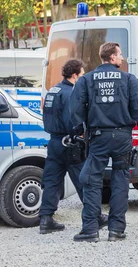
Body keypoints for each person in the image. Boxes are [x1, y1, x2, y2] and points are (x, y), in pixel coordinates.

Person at [70, 43, 138, 243]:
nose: (123, 58)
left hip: (98, 137)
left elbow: (75, 109)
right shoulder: (128, 79)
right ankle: (116, 230)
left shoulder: (86, 80)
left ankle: (90, 230)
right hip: (122, 137)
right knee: (120, 181)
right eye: (120, 55)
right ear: (112, 58)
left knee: (92, 181)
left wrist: (80, 131)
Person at [39, 59, 108, 234]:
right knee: (83, 180)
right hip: (70, 143)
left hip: (54, 142)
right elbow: (72, 120)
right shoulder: (71, 93)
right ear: (75, 75)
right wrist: (82, 134)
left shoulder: (53, 91)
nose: (83, 78)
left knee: (51, 182)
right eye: (82, 75)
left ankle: (46, 219)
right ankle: (96, 217)